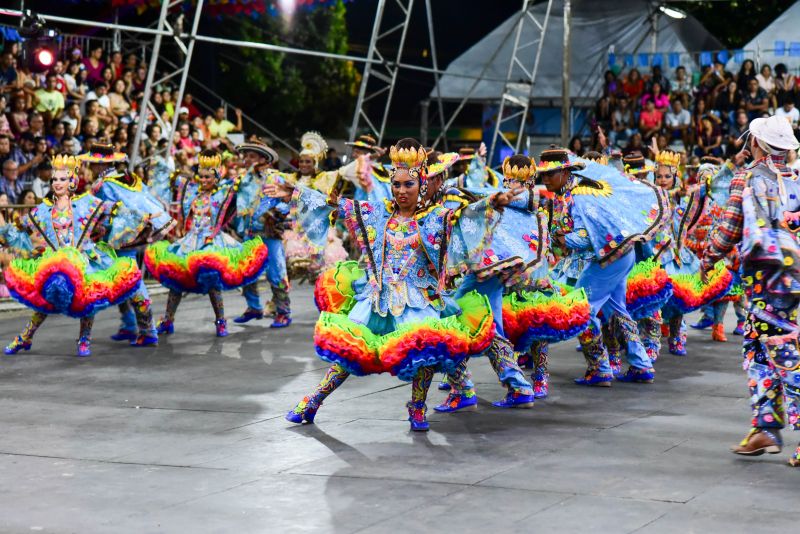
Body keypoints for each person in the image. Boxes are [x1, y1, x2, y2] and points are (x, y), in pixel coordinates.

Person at [272, 138, 509, 431]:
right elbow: (337, 203)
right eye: (396, 184)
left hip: (418, 300)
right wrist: (296, 192)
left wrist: (491, 203)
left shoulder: (436, 218)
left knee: (423, 356)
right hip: (378, 299)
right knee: (348, 354)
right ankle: (313, 401)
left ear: (422, 185)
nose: (400, 191)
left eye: (408, 185)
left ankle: (418, 408)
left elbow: (465, 216)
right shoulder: (379, 213)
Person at [699, 115, 800, 467]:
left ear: (756, 144)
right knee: (758, 351)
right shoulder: (796, 179)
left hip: (767, 283)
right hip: (793, 281)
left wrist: (708, 258)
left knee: (785, 355)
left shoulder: (748, 178)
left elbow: (728, 229)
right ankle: (766, 427)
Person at [0, 154, 152, 356]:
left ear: (72, 180)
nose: (57, 183)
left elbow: (113, 209)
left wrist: (142, 216)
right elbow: (20, 227)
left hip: (83, 261)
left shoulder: (85, 203)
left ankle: (84, 339)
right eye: (54, 179)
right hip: (55, 263)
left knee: (87, 302)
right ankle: (25, 337)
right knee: (46, 300)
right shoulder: (44, 209)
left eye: (62, 179)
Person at [540, 146, 666, 385]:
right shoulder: (581, 188)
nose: (545, 179)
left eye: (551, 174)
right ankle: (641, 365)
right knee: (616, 309)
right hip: (620, 255)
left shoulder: (580, 197)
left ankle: (599, 367)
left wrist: (556, 237)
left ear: (566, 173)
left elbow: (587, 238)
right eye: (543, 175)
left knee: (581, 310)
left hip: (610, 258)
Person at [146, 150, 269, 338]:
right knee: (176, 283)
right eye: (201, 176)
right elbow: (174, 178)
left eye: (208, 177)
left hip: (212, 241)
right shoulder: (192, 191)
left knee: (213, 283)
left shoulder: (223, 192)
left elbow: (244, 185)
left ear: (216, 176)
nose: (203, 180)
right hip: (190, 241)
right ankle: (168, 321)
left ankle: (221, 322)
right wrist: (159, 165)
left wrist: (253, 170)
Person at [81, 143, 174, 346]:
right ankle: (130, 324)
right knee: (119, 279)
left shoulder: (102, 184)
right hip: (131, 235)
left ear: (98, 164)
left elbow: (91, 211)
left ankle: (147, 331)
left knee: (131, 280)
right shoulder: (129, 178)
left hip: (118, 239)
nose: (90, 166)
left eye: (92, 163)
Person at [231, 140, 291, 328]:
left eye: (252, 156)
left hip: (270, 233)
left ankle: (283, 311)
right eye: (246, 156)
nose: (247, 160)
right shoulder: (243, 179)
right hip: (249, 233)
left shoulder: (276, 178)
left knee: (276, 273)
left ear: (264, 159)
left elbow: (288, 200)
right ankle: (254, 307)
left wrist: (276, 213)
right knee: (247, 272)